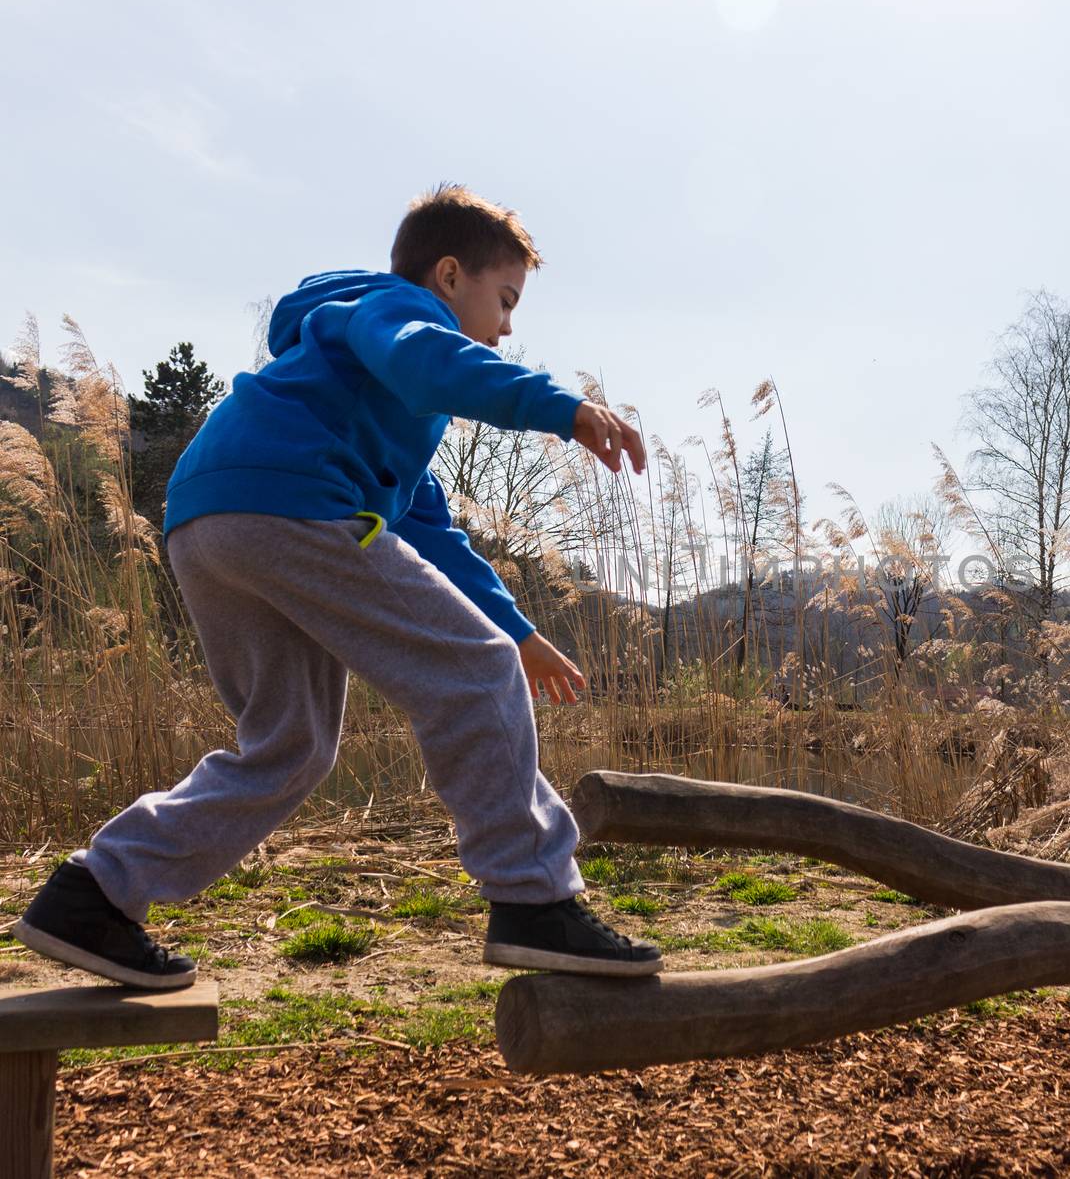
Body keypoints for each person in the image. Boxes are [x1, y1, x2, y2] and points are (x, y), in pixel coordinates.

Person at [14, 185, 663, 988]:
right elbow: (429, 359)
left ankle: (96, 893)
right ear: (449, 274)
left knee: (291, 746)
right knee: (471, 670)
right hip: (293, 503)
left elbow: (426, 527)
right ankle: (534, 899)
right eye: (504, 300)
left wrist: (520, 632)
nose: (506, 328)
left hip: (209, 520)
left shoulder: (356, 388)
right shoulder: (389, 309)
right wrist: (561, 408)